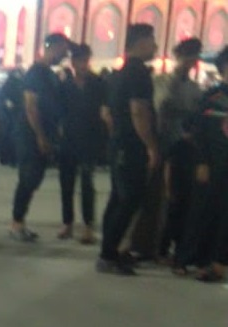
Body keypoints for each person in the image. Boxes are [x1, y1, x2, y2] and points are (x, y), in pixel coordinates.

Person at [97, 24, 159, 276]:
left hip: (119, 144)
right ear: (141, 42)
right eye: (152, 41)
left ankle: (109, 250)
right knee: (130, 199)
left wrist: (117, 137)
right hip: (132, 146)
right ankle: (108, 255)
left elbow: (107, 114)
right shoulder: (138, 73)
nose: (155, 46)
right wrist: (151, 146)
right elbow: (138, 111)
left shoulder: (118, 74)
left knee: (118, 198)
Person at [172, 46, 228, 282]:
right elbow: (198, 131)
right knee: (200, 213)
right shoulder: (212, 98)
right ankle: (185, 258)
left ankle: (217, 262)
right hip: (212, 164)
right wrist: (203, 161)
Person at [9, 33, 70, 241]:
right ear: (52, 47)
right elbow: (31, 106)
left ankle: (19, 221)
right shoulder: (36, 73)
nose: (65, 54)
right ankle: (16, 223)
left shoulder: (50, 74)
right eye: (62, 50)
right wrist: (40, 136)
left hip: (42, 134)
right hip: (30, 135)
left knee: (34, 178)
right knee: (28, 178)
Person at [150, 38, 204, 262]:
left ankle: (171, 244)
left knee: (178, 199)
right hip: (161, 144)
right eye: (187, 56)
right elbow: (160, 104)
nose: (190, 62)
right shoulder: (160, 81)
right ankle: (152, 245)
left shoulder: (195, 89)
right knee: (157, 198)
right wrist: (175, 79)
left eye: (193, 57)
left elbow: (196, 116)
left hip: (184, 149)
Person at [57, 44, 107, 244]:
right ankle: (67, 223)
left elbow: (104, 111)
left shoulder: (98, 83)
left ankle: (88, 225)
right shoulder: (65, 85)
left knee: (87, 183)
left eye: (85, 60)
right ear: (73, 62)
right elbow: (59, 112)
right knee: (66, 183)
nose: (83, 65)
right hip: (68, 139)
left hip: (89, 138)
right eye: (79, 61)